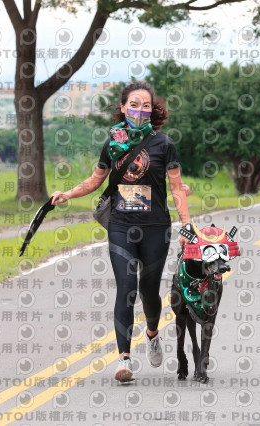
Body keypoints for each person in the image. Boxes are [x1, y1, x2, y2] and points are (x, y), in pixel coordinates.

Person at [50, 81, 192, 383]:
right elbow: (95, 180)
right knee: (126, 288)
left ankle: (152, 333)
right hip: (121, 225)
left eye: (146, 106)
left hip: (156, 227)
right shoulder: (112, 143)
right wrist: (67, 194)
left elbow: (177, 187)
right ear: (123, 107)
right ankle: (124, 359)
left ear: (152, 110)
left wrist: (187, 225)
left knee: (149, 290)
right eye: (134, 104)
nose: (139, 110)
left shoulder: (164, 144)